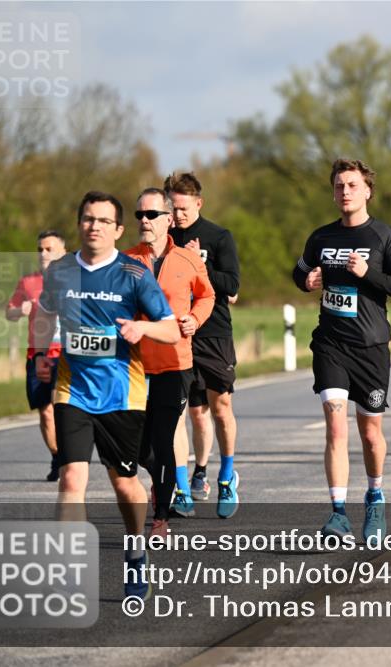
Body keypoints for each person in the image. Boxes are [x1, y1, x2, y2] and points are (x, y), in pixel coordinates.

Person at [33, 191, 179, 599]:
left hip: (121, 393)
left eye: (102, 220)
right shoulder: (61, 271)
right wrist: (44, 354)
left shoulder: (133, 274)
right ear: (79, 224)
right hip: (72, 389)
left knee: (125, 486)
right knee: (71, 478)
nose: (93, 226)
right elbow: (45, 314)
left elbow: (171, 329)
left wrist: (142, 329)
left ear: (117, 229)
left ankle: (135, 555)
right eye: (87, 218)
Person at [292, 158, 391, 540]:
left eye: (352, 185)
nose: (345, 191)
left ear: (367, 191)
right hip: (331, 344)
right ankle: (338, 513)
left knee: (371, 435)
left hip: (371, 347)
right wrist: (306, 280)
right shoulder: (321, 238)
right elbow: (299, 271)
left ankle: (375, 496)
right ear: (333, 193)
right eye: (339, 186)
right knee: (334, 426)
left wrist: (368, 275)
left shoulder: (385, 237)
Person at [125, 188, 216, 534]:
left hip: (175, 363)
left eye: (151, 215)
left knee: (164, 439)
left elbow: (207, 295)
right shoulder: (126, 260)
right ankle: (157, 476)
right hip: (132, 366)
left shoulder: (188, 259)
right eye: (139, 216)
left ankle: (161, 515)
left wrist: (195, 318)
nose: (144, 222)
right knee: (135, 445)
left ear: (167, 219)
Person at [165, 172, 241, 515]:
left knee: (220, 407)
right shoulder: (164, 238)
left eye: (182, 208)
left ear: (198, 203)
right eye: (173, 207)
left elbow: (233, 286)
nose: (177, 215)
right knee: (185, 411)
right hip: (177, 334)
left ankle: (226, 475)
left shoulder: (219, 237)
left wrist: (200, 263)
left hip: (214, 333)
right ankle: (183, 485)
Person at [6, 230, 67, 481]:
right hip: (38, 354)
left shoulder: (74, 279)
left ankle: (70, 456)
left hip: (67, 354)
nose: (43, 253)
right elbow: (8, 313)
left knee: (64, 408)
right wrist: (20, 310)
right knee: (45, 411)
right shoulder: (28, 282)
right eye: (40, 249)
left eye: (49, 249)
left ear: (62, 252)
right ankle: (57, 457)